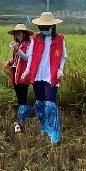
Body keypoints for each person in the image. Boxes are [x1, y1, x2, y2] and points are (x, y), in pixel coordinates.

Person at [21, 11, 66, 144]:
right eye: (41, 27)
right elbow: (30, 57)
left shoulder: (60, 39)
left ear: (52, 26)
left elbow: (63, 56)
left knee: (50, 103)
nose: (44, 30)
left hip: (51, 75)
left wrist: (60, 69)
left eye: (46, 28)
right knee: (40, 102)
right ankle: (44, 126)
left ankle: (54, 132)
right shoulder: (35, 39)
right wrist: (27, 70)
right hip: (38, 73)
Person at [6, 23, 35, 133]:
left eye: (19, 33)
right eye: (16, 34)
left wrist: (17, 49)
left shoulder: (29, 44)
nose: (18, 35)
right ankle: (22, 118)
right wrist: (10, 61)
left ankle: (23, 120)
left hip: (24, 75)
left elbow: (28, 58)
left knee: (22, 97)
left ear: (25, 34)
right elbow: (17, 59)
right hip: (16, 74)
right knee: (19, 97)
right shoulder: (20, 44)